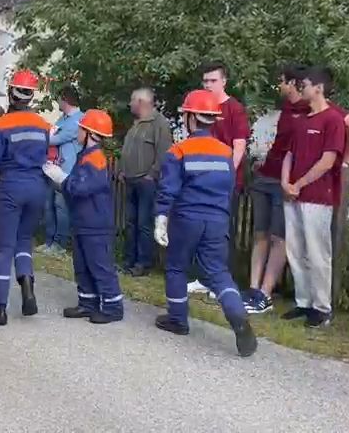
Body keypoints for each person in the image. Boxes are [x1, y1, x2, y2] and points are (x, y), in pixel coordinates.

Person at [153, 90, 257, 357]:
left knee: (176, 266)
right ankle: (238, 317)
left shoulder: (179, 151)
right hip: (217, 220)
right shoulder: (225, 153)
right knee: (218, 273)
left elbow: (168, 190)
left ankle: (178, 319)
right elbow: (229, 188)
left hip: (187, 219)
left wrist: (161, 219)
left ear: (190, 118)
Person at [0, 70, 51, 326]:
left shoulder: (1, 125)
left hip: (11, 187)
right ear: (31, 96)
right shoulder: (44, 125)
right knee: (24, 241)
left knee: (4, 248)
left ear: (11, 93)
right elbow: (47, 155)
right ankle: (27, 286)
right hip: (37, 187)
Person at [45, 109, 123, 324]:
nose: (78, 131)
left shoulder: (95, 159)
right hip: (84, 222)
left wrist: (61, 179)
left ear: (89, 133)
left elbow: (82, 187)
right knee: (83, 265)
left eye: (81, 128)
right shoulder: (87, 156)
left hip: (95, 224)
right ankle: (87, 303)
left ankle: (113, 307)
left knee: (100, 266)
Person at [281, 66, 345, 328]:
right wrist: (286, 181)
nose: (302, 88)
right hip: (293, 194)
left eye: (305, 84)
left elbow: (328, 160)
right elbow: (289, 154)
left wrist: (300, 182)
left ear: (318, 87)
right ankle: (303, 301)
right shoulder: (303, 120)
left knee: (318, 252)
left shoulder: (333, 120)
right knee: (295, 249)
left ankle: (322, 306)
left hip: (317, 196)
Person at [245, 66, 308, 314]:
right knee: (260, 233)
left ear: (293, 83)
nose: (278, 86)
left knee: (278, 238)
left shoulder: (309, 110)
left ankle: (265, 293)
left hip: (286, 181)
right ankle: (252, 288)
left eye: (281, 82)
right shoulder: (286, 109)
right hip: (266, 175)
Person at [188, 63, 249, 295]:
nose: (208, 85)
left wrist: (227, 175)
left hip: (223, 182)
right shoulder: (200, 107)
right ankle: (203, 277)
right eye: (205, 81)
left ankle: (220, 280)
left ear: (224, 81)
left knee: (222, 232)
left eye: (213, 80)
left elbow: (239, 145)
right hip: (200, 180)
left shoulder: (234, 109)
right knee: (201, 231)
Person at [118, 87, 173, 276]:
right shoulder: (137, 123)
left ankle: (143, 263)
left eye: (132, 100)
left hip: (146, 181)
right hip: (131, 179)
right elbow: (127, 149)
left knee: (144, 224)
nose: (130, 104)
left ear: (141, 102)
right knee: (131, 223)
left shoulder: (159, 124)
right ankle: (128, 261)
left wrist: (152, 174)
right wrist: (121, 170)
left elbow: (164, 153)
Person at [39, 86, 82, 256]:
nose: (58, 102)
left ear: (65, 100)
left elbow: (54, 138)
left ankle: (60, 244)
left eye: (59, 99)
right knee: (48, 205)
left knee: (61, 206)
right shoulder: (62, 119)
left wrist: (41, 135)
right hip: (52, 168)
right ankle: (49, 241)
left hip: (67, 171)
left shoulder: (78, 120)